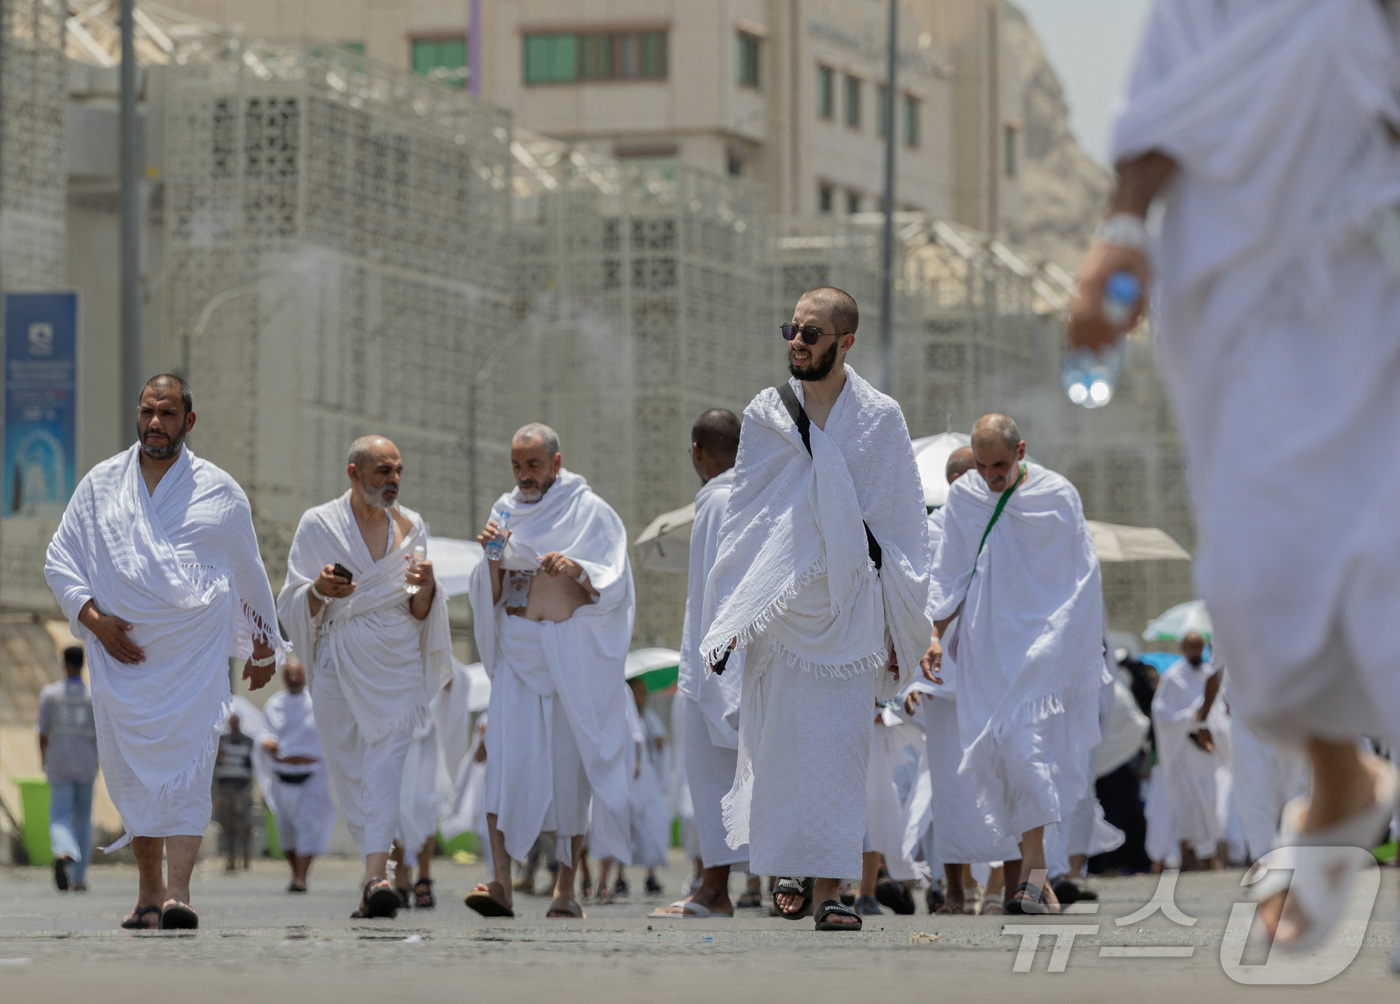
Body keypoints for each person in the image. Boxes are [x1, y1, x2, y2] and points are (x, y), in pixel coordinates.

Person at [1067, 0, 1400, 950]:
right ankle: (1340, 775)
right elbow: (1167, 97)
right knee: (1254, 571)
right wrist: (1121, 229)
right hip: (1234, 280)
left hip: (1370, 252)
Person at [701, 287, 933, 932]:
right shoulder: (765, 414)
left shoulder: (880, 418)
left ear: (845, 342)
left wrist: (897, 620)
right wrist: (735, 612)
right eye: (792, 330)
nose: (797, 343)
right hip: (780, 613)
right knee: (780, 750)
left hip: (851, 610)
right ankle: (790, 866)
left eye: (811, 333)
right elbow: (747, 518)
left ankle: (833, 888)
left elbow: (901, 527)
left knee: (839, 751)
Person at [43, 374, 283, 930]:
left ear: (188, 422)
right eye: (149, 411)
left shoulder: (220, 491)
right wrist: (96, 622)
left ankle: (179, 893)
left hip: (192, 663)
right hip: (118, 658)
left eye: (168, 413)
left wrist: (263, 642)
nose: (156, 423)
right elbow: (61, 560)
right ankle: (148, 893)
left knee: (189, 772)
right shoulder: (101, 485)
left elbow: (247, 568)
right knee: (131, 777)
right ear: (137, 413)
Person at [922, 414, 1109, 914]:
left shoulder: (1058, 494)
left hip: (1043, 648)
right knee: (1008, 759)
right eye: (981, 466)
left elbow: (1081, 576)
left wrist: (1067, 641)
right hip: (988, 648)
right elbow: (950, 575)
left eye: (999, 465)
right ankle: (1035, 883)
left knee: (1030, 755)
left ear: (1021, 450)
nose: (990, 476)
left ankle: (1035, 881)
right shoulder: (964, 498)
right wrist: (936, 635)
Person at [277, 435, 452, 920]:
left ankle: (376, 876)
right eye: (382, 472)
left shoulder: (414, 527)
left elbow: (419, 611)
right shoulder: (318, 524)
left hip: (395, 663)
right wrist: (318, 589)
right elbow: (292, 603)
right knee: (350, 773)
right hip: (338, 659)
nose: (393, 480)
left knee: (385, 770)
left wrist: (429, 587)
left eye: (398, 471)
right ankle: (373, 870)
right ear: (354, 474)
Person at [464, 423, 635, 920]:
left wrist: (577, 568)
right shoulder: (504, 510)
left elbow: (614, 582)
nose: (524, 476)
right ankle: (500, 883)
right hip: (517, 656)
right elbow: (490, 592)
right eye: (517, 466)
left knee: (569, 773)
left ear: (556, 463)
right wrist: (491, 556)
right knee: (503, 766)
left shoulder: (591, 512)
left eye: (533, 465)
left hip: (569, 660)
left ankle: (565, 888)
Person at [905, 446, 1020, 914]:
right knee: (951, 787)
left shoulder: (1011, 524)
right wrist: (912, 676)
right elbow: (918, 599)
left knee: (1007, 780)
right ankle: (955, 891)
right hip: (944, 678)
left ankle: (1008, 888)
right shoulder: (929, 530)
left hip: (1001, 677)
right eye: (966, 474)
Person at [654, 409, 748, 920]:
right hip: (749, 663)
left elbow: (719, 595)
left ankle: (715, 889)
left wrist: (716, 672)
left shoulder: (715, 502)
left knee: (714, 780)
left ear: (697, 452)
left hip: (717, 664)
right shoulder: (759, 496)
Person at [391, 662, 474, 909]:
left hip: (426, 743)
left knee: (425, 808)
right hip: (394, 738)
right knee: (396, 811)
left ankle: (424, 877)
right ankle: (400, 878)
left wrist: (443, 676)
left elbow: (456, 679)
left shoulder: (434, 648)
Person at [1150, 634, 1231, 870]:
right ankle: (1186, 854)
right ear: (1183, 648)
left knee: (1209, 802)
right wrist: (1192, 719)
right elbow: (1163, 714)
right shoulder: (1173, 678)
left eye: (1199, 646)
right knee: (1185, 803)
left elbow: (1218, 709)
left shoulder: (1209, 674)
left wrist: (1206, 721)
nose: (1195, 651)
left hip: (1205, 753)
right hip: (1183, 750)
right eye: (1191, 647)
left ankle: (1208, 857)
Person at [258, 655, 337, 893]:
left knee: (308, 827)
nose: (293, 678)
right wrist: (269, 744)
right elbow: (265, 735)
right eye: (289, 674)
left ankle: (301, 877)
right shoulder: (274, 704)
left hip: (310, 776)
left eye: (298, 673)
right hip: (282, 777)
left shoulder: (317, 702)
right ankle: (295, 872)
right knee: (286, 832)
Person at [37, 645, 99, 892]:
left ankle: (63, 851)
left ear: (64, 664)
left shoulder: (50, 694)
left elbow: (42, 732)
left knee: (60, 815)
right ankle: (79, 878)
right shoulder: (94, 696)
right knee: (83, 819)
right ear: (83, 664)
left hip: (60, 763)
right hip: (86, 764)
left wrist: (44, 758)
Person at [213, 714, 255, 872]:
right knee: (226, 822)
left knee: (243, 822)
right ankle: (231, 857)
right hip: (225, 787)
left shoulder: (248, 741)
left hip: (242, 786)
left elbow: (253, 764)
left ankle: (245, 852)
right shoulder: (221, 741)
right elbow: (214, 764)